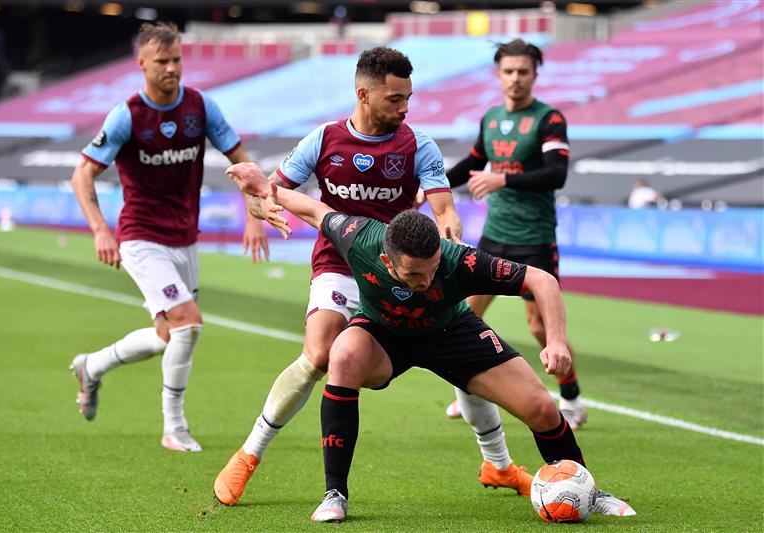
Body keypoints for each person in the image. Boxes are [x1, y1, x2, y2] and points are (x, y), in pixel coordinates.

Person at [227, 161, 636, 523]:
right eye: (414, 275)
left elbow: (541, 280)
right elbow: (316, 210)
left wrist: (558, 341)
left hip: (452, 333)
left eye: (431, 270)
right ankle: (335, 493)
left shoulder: (459, 262)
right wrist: (264, 187)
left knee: (541, 407)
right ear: (387, 261)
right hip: (385, 334)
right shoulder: (360, 238)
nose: (426, 281)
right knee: (343, 354)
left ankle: (588, 490)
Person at [214, 46, 533, 506]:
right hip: (340, 266)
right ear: (364, 94)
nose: (404, 108)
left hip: (404, 271)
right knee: (320, 353)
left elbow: (443, 206)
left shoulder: (418, 143)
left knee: (460, 351)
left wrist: (449, 229)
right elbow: (270, 193)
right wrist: (258, 208)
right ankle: (249, 453)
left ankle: (499, 466)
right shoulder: (322, 140)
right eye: (394, 99)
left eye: (408, 98)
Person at [69, 21, 267, 452]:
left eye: (176, 59)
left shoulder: (200, 106)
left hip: (185, 238)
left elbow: (240, 159)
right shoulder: (127, 115)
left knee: (168, 336)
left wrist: (254, 214)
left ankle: (92, 366)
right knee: (189, 323)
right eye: (162, 61)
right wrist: (102, 230)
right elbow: (82, 174)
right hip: (141, 237)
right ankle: (173, 427)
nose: (172, 68)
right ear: (142, 64)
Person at [444, 39, 587, 429]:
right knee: (463, 315)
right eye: (509, 71)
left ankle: (572, 399)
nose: (516, 78)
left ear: (535, 74)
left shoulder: (549, 119)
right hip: (494, 236)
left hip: (535, 238)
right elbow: (473, 163)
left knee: (541, 328)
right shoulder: (490, 118)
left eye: (523, 71)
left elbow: (556, 173)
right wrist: (431, 185)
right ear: (498, 74)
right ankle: (469, 396)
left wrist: (502, 178)